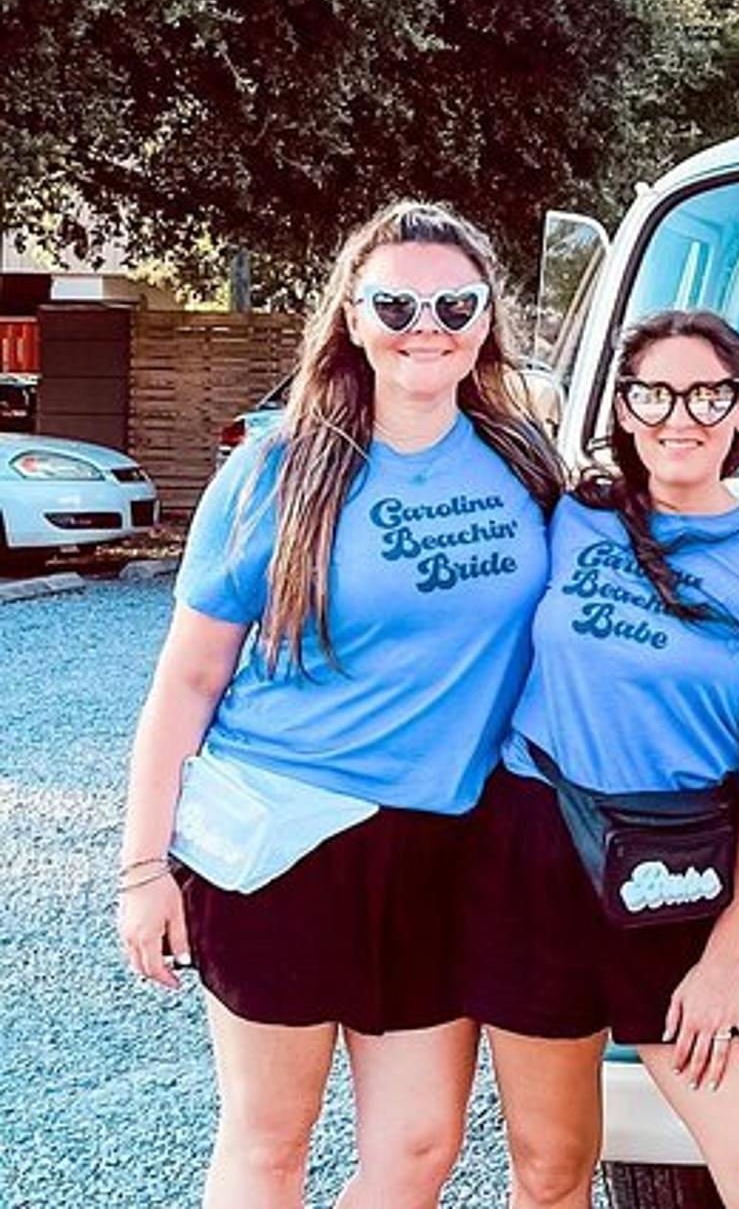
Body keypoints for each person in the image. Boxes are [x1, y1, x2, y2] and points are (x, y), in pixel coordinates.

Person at [114, 200, 560, 1207]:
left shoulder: (526, 467)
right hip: (282, 843)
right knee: (271, 1144)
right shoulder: (274, 469)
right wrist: (143, 868)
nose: (425, 324)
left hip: (446, 849)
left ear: (486, 317)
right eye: (394, 301)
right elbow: (186, 682)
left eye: (454, 301)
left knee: (417, 1152)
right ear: (353, 318)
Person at [461, 309, 739, 1209]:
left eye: (709, 393)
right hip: (533, 850)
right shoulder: (570, 517)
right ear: (624, 410)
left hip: (678, 877)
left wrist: (724, 954)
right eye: (655, 393)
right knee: (549, 1170)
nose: (682, 415)